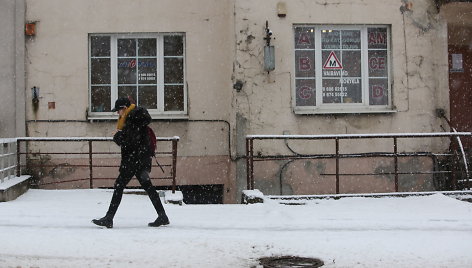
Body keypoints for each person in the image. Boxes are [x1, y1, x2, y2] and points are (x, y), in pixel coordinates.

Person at [92, 97, 169, 228]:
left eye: (119, 110)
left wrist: (117, 137)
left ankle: (109, 218)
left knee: (119, 186)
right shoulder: (135, 118)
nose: (118, 113)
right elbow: (133, 139)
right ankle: (162, 216)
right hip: (139, 160)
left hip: (134, 160)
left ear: (125, 108)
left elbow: (130, 142)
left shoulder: (133, 119)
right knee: (148, 187)